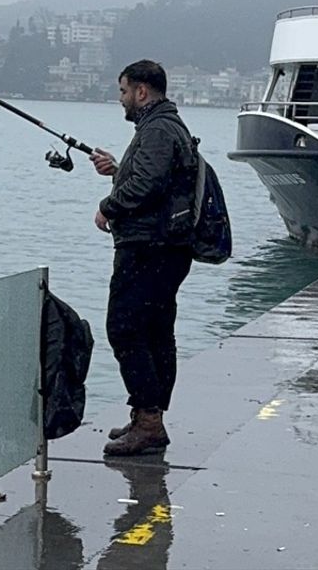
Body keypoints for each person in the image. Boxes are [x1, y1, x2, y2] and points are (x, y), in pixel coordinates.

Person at [89, 59, 197, 456]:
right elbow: (157, 181)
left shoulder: (157, 130)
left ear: (141, 92)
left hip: (149, 248)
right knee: (155, 332)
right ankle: (147, 417)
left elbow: (148, 187)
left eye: (123, 92)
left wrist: (108, 206)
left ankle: (149, 421)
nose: (121, 101)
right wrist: (118, 171)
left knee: (125, 329)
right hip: (167, 247)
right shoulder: (166, 127)